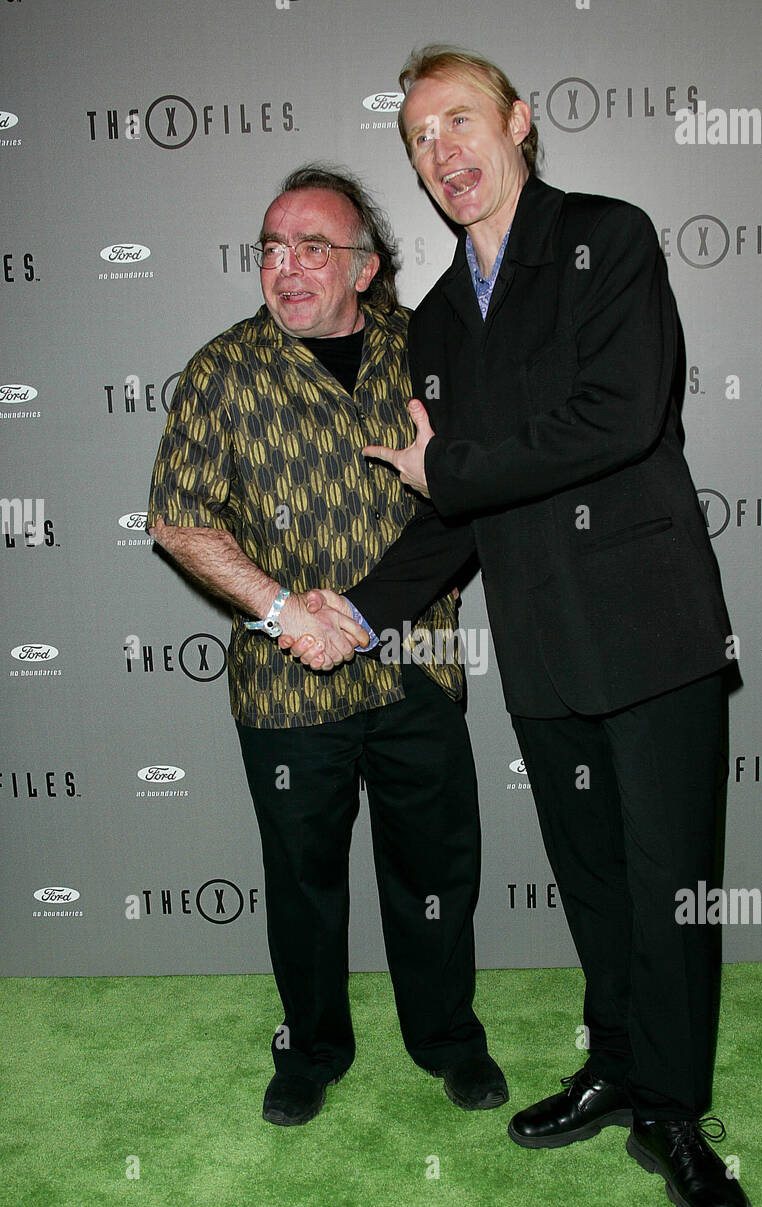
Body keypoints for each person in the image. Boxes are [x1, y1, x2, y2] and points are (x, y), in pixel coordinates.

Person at [291, 48, 752, 1207]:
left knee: (670, 890)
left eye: (458, 118)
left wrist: (449, 466)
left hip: (650, 633)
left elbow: (616, 414)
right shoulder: (436, 321)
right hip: (543, 650)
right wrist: (356, 608)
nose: (441, 148)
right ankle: (614, 1067)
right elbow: (458, 513)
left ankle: (676, 1111)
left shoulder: (610, 237)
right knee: (597, 885)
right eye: (417, 136)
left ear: (517, 123)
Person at [147, 163, 507, 1127]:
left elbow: (471, 494)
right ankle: (310, 1049)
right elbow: (177, 521)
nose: (287, 267)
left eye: (313, 247)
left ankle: (447, 1039)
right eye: (271, 247)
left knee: (435, 871)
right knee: (302, 883)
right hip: (284, 686)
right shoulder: (220, 372)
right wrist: (280, 609)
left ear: (365, 266)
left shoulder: (427, 354)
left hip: (415, 669)